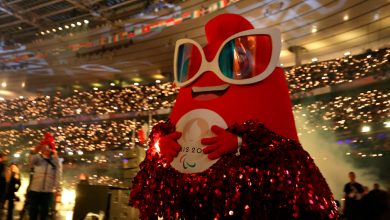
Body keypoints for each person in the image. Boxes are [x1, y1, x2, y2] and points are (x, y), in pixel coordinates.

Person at [28, 133, 62, 220]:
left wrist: (58, 189)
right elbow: (30, 164)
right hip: (35, 190)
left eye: (48, 147)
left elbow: (58, 174)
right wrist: (34, 151)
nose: (45, 149)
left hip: (47, 191)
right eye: (44, 147)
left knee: (44, 214)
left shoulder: (55, 161)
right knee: (33, 213)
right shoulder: (37, 158)